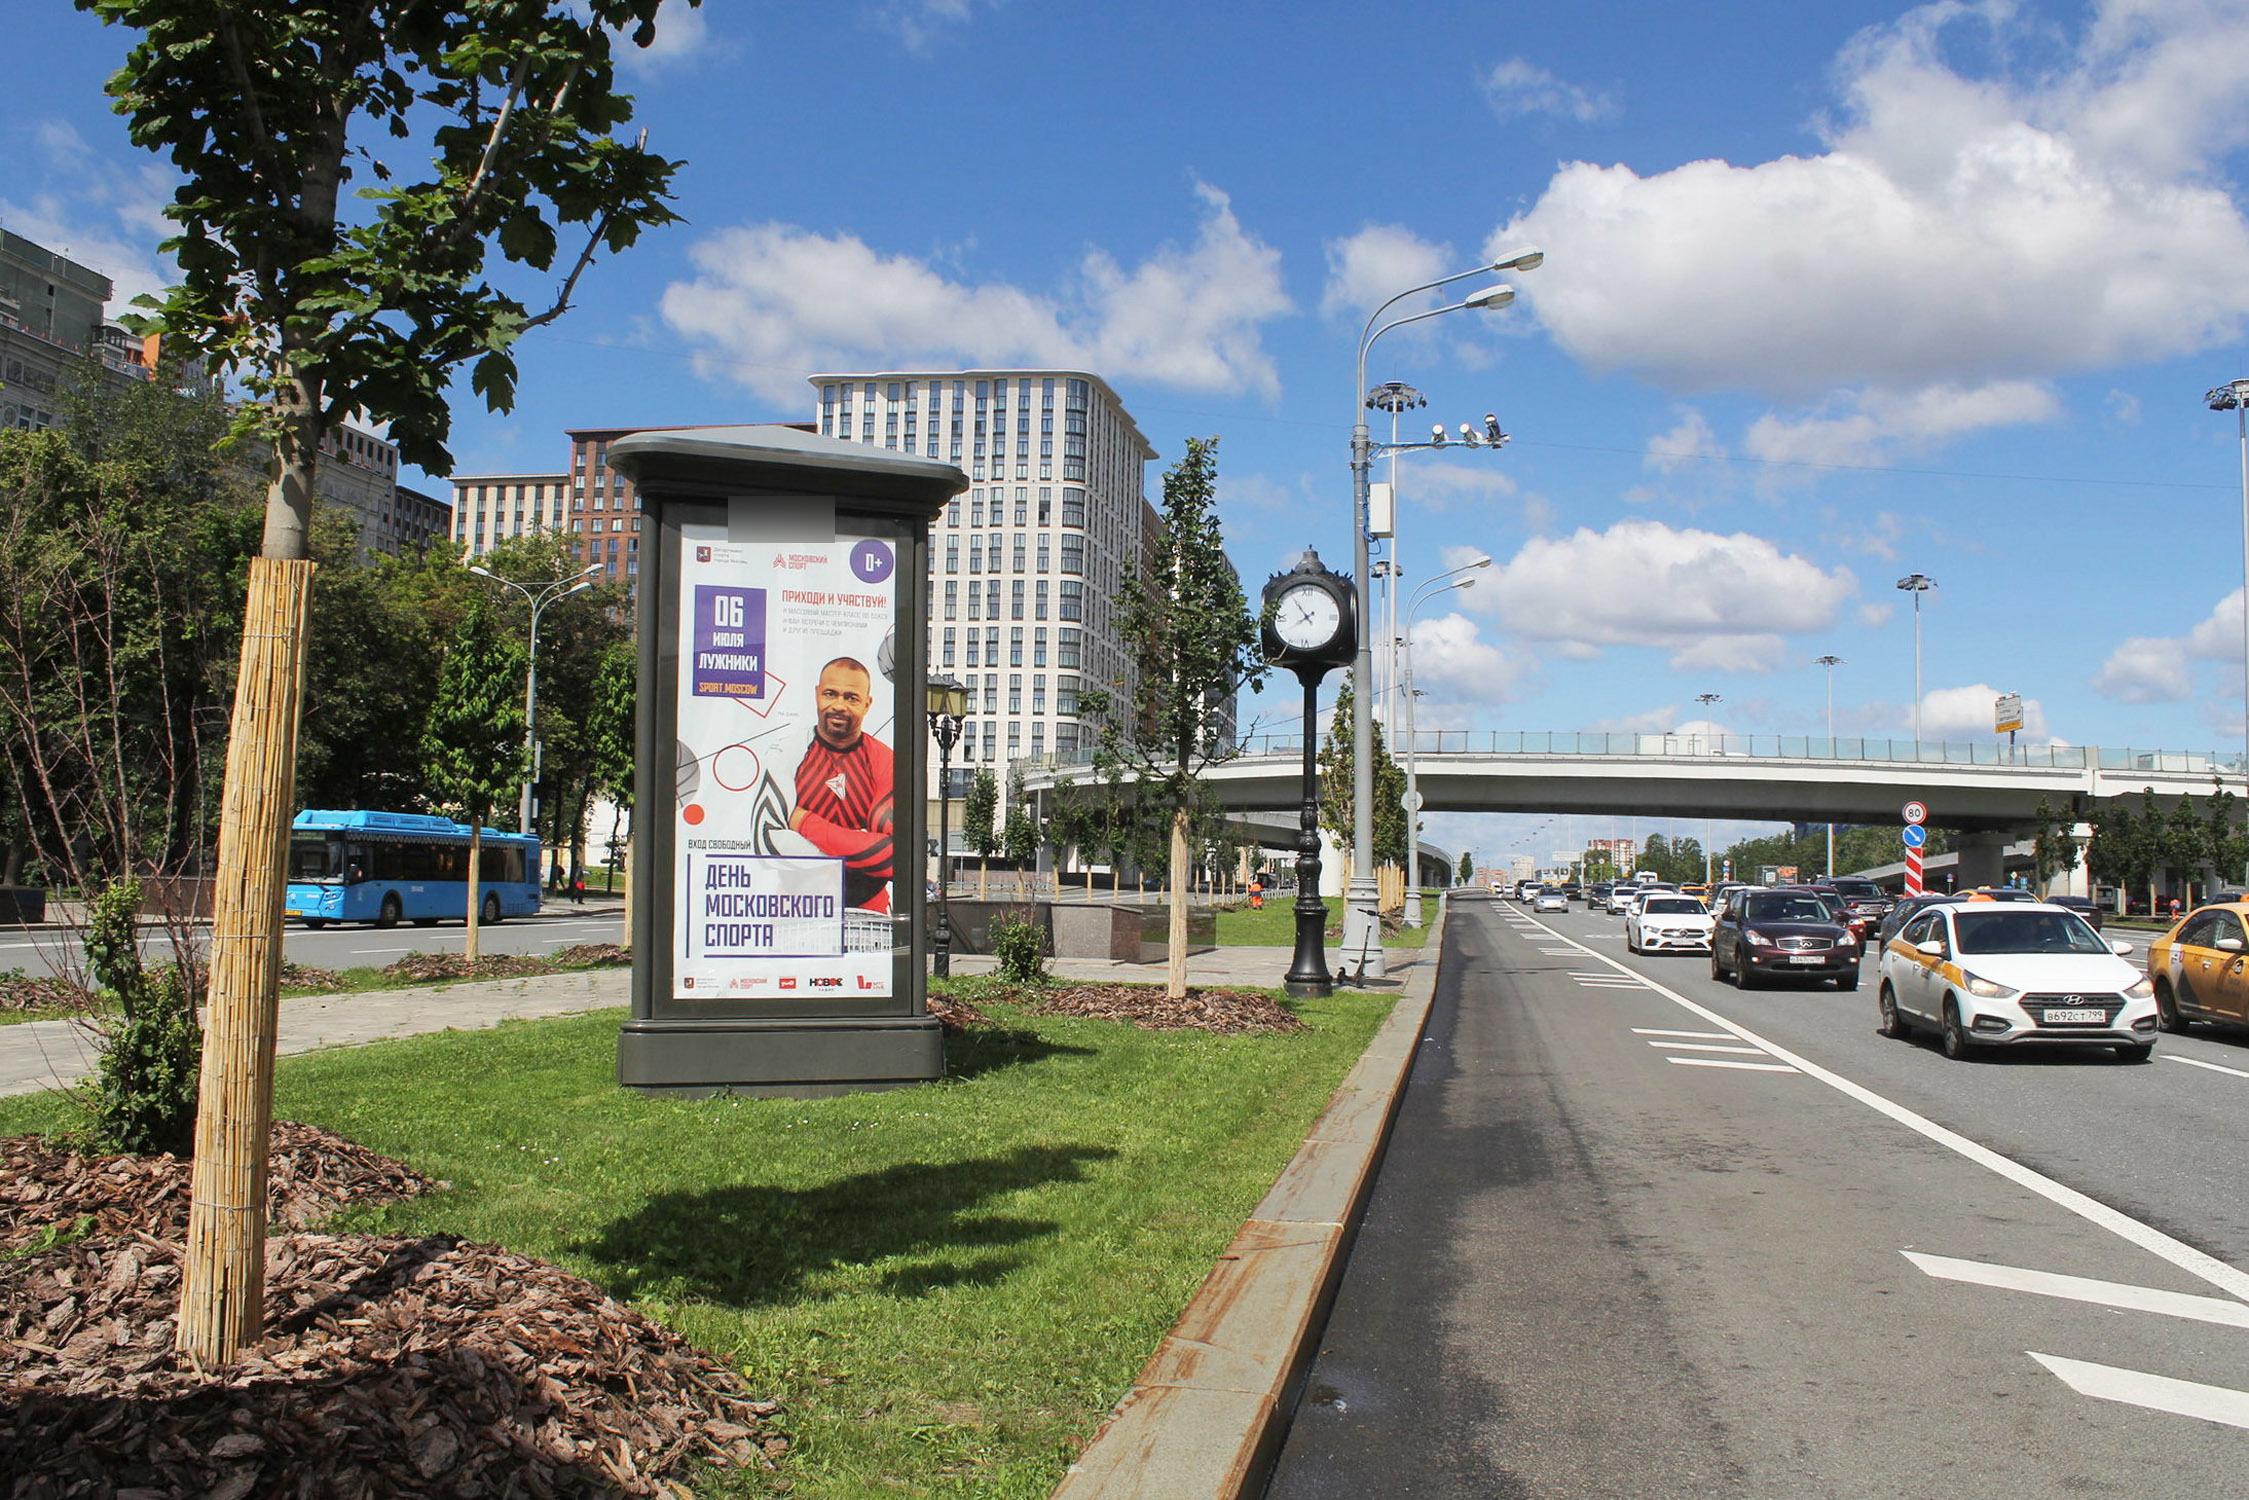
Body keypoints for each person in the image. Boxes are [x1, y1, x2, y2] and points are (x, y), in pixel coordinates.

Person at [789, 656, 895, 911]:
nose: (839, 705)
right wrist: (858, 840)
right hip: (793, 907)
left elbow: (892, 857)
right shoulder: (789, 754)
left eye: (851, 698)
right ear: (817, 694)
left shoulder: (883, 760)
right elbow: (768, 837)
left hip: (867, 913)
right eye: (830, 694)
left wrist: (804, 822)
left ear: (867, 704)